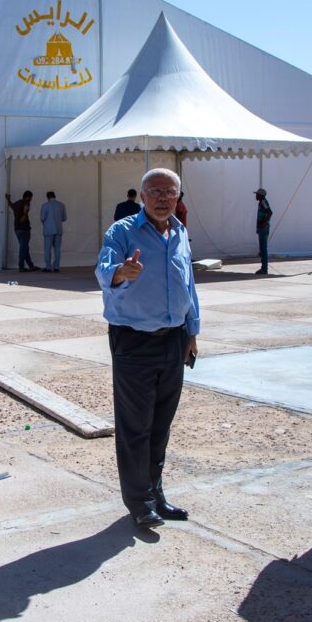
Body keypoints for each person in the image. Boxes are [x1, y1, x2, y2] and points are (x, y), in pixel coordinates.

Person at [96, 167, 201, 530]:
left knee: (160, 424)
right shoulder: (122, 231)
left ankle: (156, 493)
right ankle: (138, 501)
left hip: (174, 339)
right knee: (135, 426)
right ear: (142, 196)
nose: (162, 198)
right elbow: (103, 269)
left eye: (169, 192)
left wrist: (192, 331)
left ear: (178, 197)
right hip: (134, 340)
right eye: (155, 191)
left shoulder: (180, 232)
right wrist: (120, 273)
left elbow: (188, 284)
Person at [7, 190, 36, 272]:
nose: (31, 199)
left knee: (25, 247)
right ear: (28, 197)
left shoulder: (17, 203)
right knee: (23, 248)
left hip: (17, 229)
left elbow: (11, 206)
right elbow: (26, 209)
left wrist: (8, 199)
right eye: (31, 197)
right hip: (24, 228)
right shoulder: (26, 202)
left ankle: (31, 265)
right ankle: (21, 266)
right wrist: (24, 215)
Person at [40, 190, 68, 272]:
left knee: (47, 250)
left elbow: (42, 218)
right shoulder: (61, 205)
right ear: (54, 196)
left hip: (48, 230)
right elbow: (64, 218)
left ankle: (48, 267)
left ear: (47, 197)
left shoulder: (45, 205)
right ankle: (56, 267)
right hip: (58, 230)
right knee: (57, 250)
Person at [254, 188, 274, 275]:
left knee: (263, 249)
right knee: (262, 249)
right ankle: (263, 268)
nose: (256, 196)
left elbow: (270, 212)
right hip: (262, 228)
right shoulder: (261, 202)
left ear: (261, 195)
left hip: (263, 228)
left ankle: (264, 269)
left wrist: (264, 223)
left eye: (257, 194)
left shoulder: (263, 202)